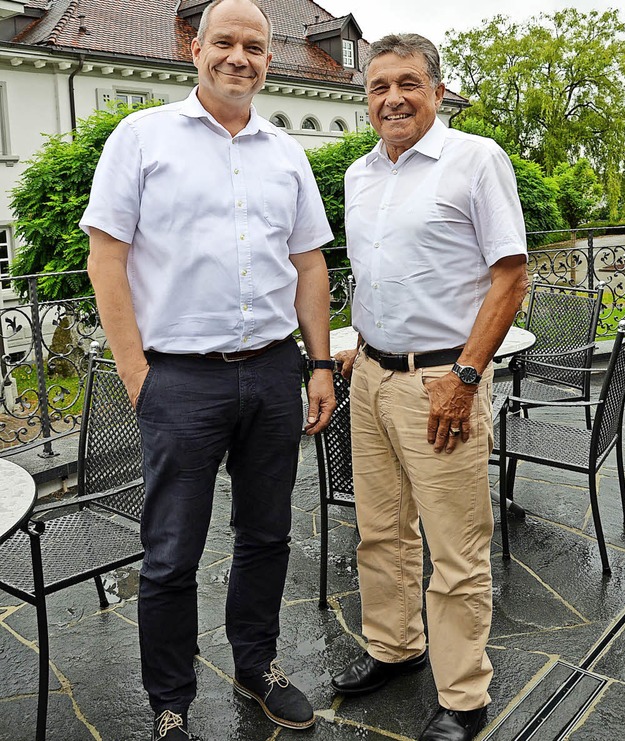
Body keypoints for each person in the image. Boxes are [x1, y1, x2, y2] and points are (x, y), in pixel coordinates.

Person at [81, 1, 336, 738]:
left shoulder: (285, 151)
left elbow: (309, 263)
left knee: (266, 534)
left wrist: (318, 363)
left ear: (268, 58)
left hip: (271, 372)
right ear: (195, 48)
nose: (239, 57)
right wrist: (137, 374)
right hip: (179, 381)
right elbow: (108, 258)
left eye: (254, 46)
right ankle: (171, 701)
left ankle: (257, 665)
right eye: (225, 42)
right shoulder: (142, 137)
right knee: (170, 552)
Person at [330, 34, 529, 741]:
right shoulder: (359, 175)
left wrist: (466, 377)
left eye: (408, 83)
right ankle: (394, 647)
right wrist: (360, 344)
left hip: (445, 380)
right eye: (378, 86)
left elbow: (511, 277)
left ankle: (465, 697)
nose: (392, 98)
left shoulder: (475, 161)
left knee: (455, 547)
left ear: (437, 92)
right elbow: (375, 274)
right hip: (373, 375)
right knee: (380, 531)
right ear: (366, 98)